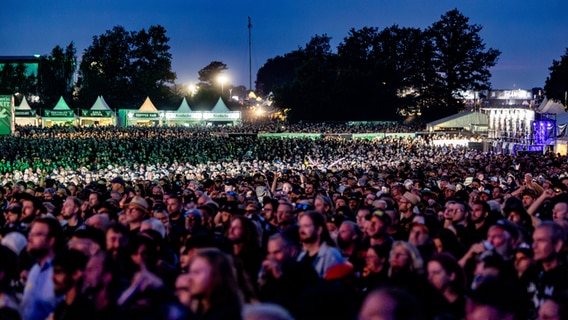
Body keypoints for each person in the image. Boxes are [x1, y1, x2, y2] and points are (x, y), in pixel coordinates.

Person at [20, 216, 65, 320]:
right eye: (31, 233)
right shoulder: (35, 269)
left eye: (37, 234)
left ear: (51, 241)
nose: (30, 238)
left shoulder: (60, 272)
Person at [187, 248, 243, 320]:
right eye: (190, 273)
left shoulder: (227, 315)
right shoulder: (199, 312)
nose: (190, 279)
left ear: (217, 275)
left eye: (197, 272)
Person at [296, 210, 344, 278]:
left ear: (319, 230)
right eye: (300, 226)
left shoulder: (331, 256)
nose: (301, 230)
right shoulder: (302, 256)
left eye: (306, 226)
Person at [52, 248, 96, 320]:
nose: (53, 277)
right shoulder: (60, 308)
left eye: (58, 272)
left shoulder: (85, 311)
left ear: (76, 274)